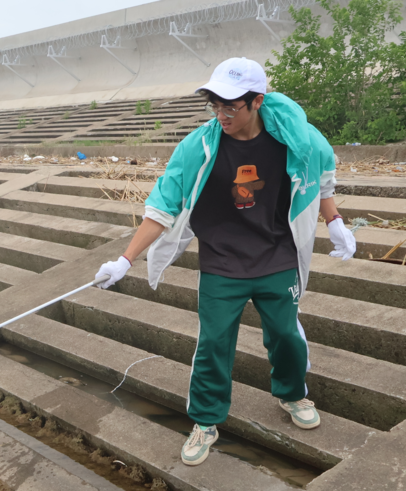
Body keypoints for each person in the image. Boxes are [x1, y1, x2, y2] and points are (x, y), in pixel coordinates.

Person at [94, 57, 355, 467]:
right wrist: (125, 260)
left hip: (277, 254)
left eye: (230, 105)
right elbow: (162, 206)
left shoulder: (297, 138)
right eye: (215, 104)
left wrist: (334, 220)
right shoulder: (198, 147)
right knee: (213, 343)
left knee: (286, 335)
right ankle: (206, 420)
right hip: (222, 260)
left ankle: (292, 394)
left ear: (257, 101)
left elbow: (321, 180)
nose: (221, 114)